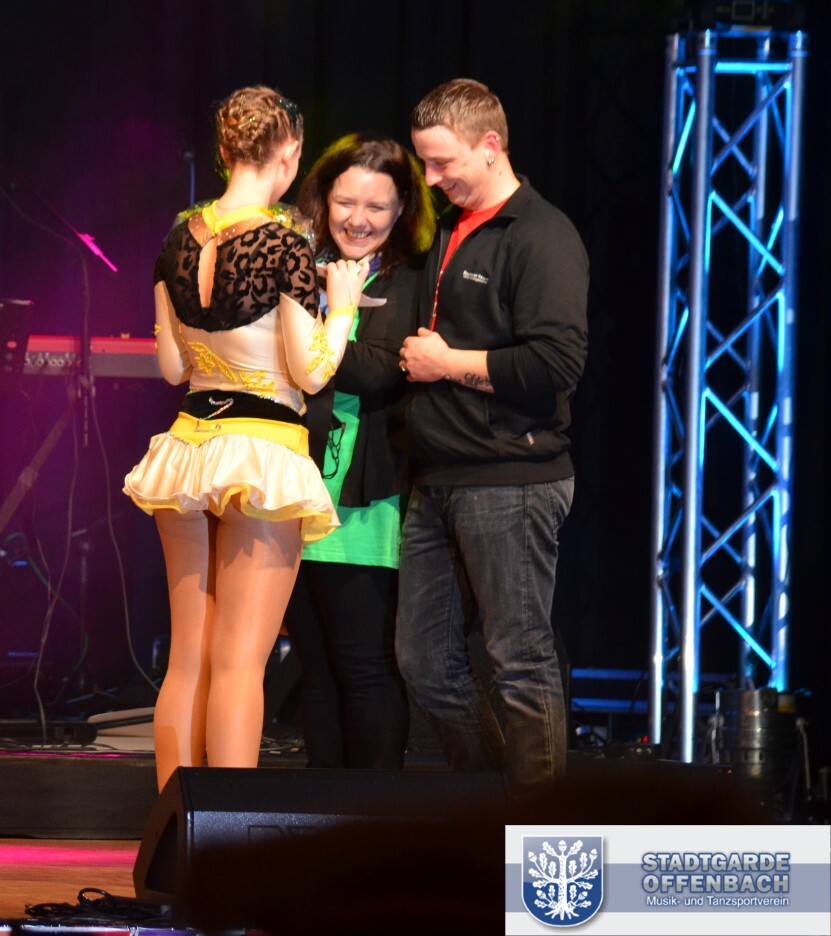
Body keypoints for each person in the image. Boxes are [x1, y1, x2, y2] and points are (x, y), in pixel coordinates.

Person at [123, 85, 367, 790]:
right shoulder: (284, 243)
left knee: (187, 662)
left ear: (225, 150)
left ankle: (172, 835)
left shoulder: (177, 238)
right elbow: (312, 372)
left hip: (189, 445)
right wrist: (342, 308)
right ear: (288, 153)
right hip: (262, 450)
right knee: (238, 664)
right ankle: (225, 836)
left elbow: (172, 367)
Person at [397, 78, 588, 792]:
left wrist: (448, 364)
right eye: (424, 162)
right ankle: (488, 807)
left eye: (441, 162)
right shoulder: (452, 229)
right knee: (423, 664)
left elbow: (557, 363)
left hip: (511, 477)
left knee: (520, 659)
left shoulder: (541, 235)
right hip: (438, 480)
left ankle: (537, 836)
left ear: (490, 145)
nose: (430, 179)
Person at [286, 133, 436, 769]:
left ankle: (375, 813)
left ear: (402, 209)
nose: (357, 220)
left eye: (376, 207)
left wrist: (323, 326)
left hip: (362, 501)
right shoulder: (299, 266)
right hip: (290, 492)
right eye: (345, 202)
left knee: (364, 665)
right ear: (323, 198)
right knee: (314, 667)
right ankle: (324, 812)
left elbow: (376, 371)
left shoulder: (410, 277)